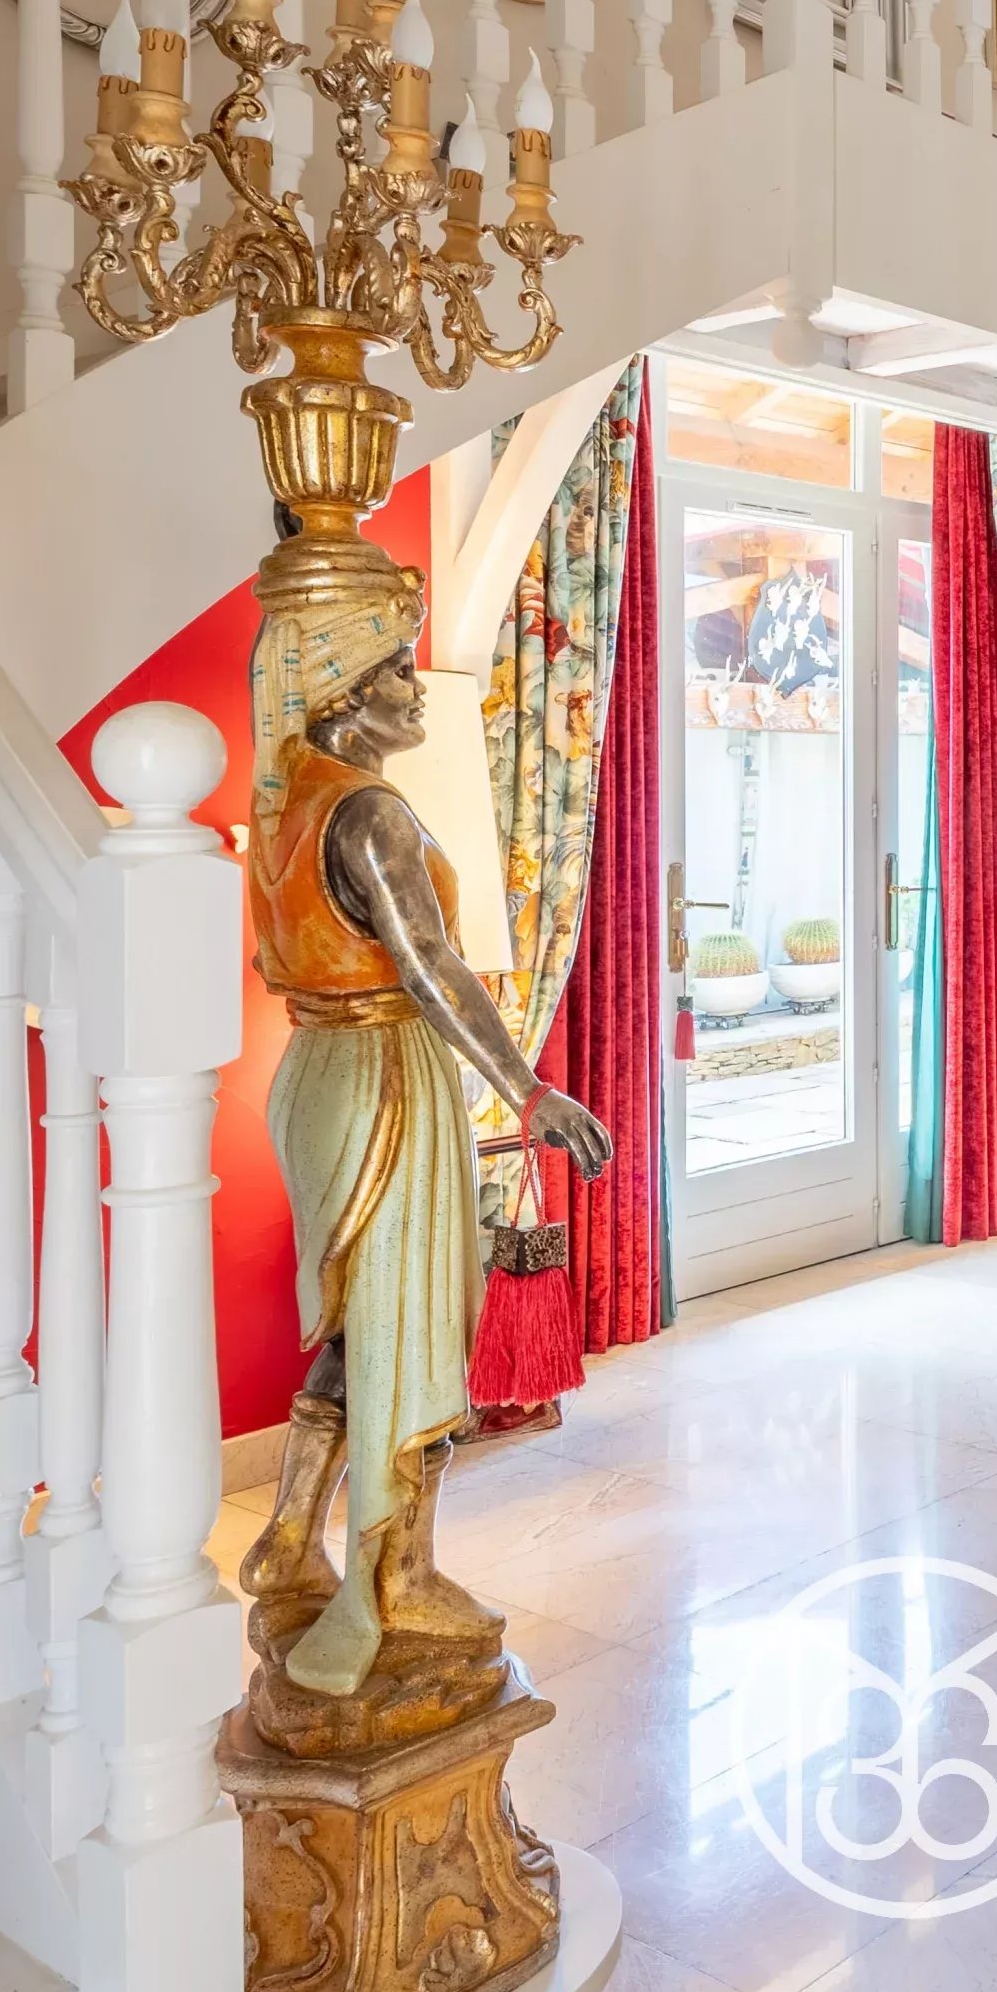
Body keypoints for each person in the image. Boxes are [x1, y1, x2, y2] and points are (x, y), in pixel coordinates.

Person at [232, 536, 611, 1702]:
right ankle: (391, 1580)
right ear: (343, 688)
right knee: (413, 1329)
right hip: (389, 1070)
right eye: (395, 667)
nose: (415, 686)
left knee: (361, 1322)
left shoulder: (285, 795)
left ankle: (289, 1534)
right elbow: (434, 966)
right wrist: (531, 1089)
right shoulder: (371, 814)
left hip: (315, 1069)